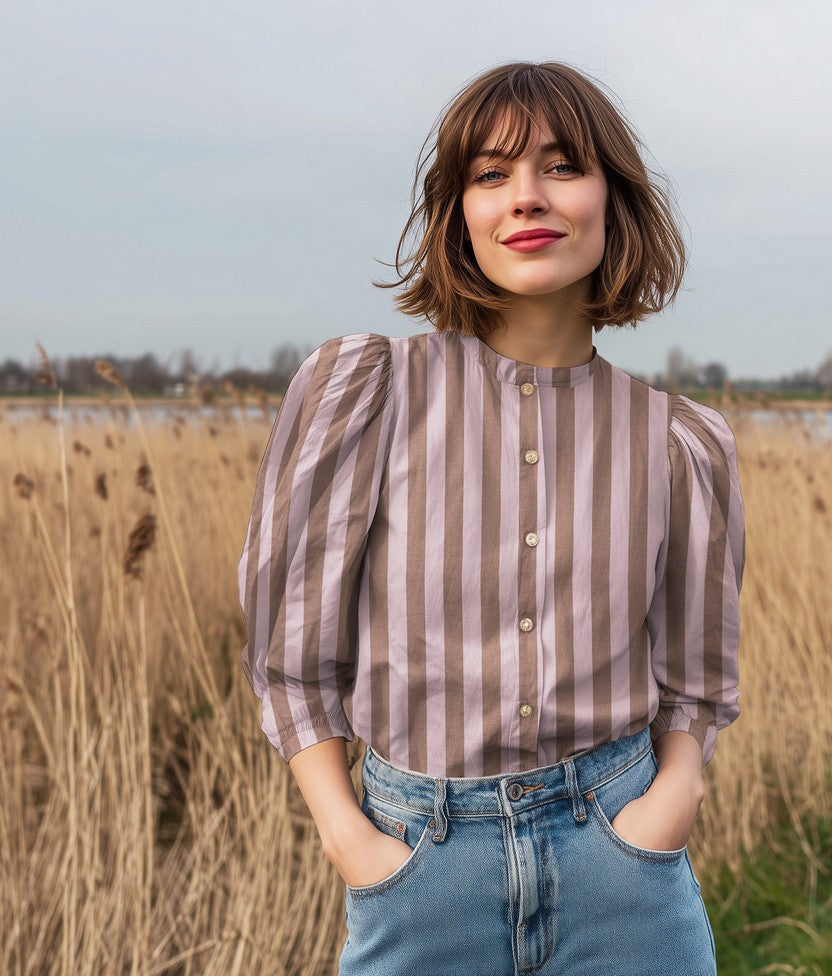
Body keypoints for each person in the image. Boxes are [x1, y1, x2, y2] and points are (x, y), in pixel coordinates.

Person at [238, 61, 746, 976]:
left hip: (623, 865)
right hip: (419, 870)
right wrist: (350, 839)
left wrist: (670, 801)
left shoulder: (678, 439)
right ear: (458, 212)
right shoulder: (370, 390)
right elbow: (291, 651)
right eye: (490, 173)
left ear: (611, 197)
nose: (525, 198)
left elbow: (698, 676)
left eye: (561, 166)